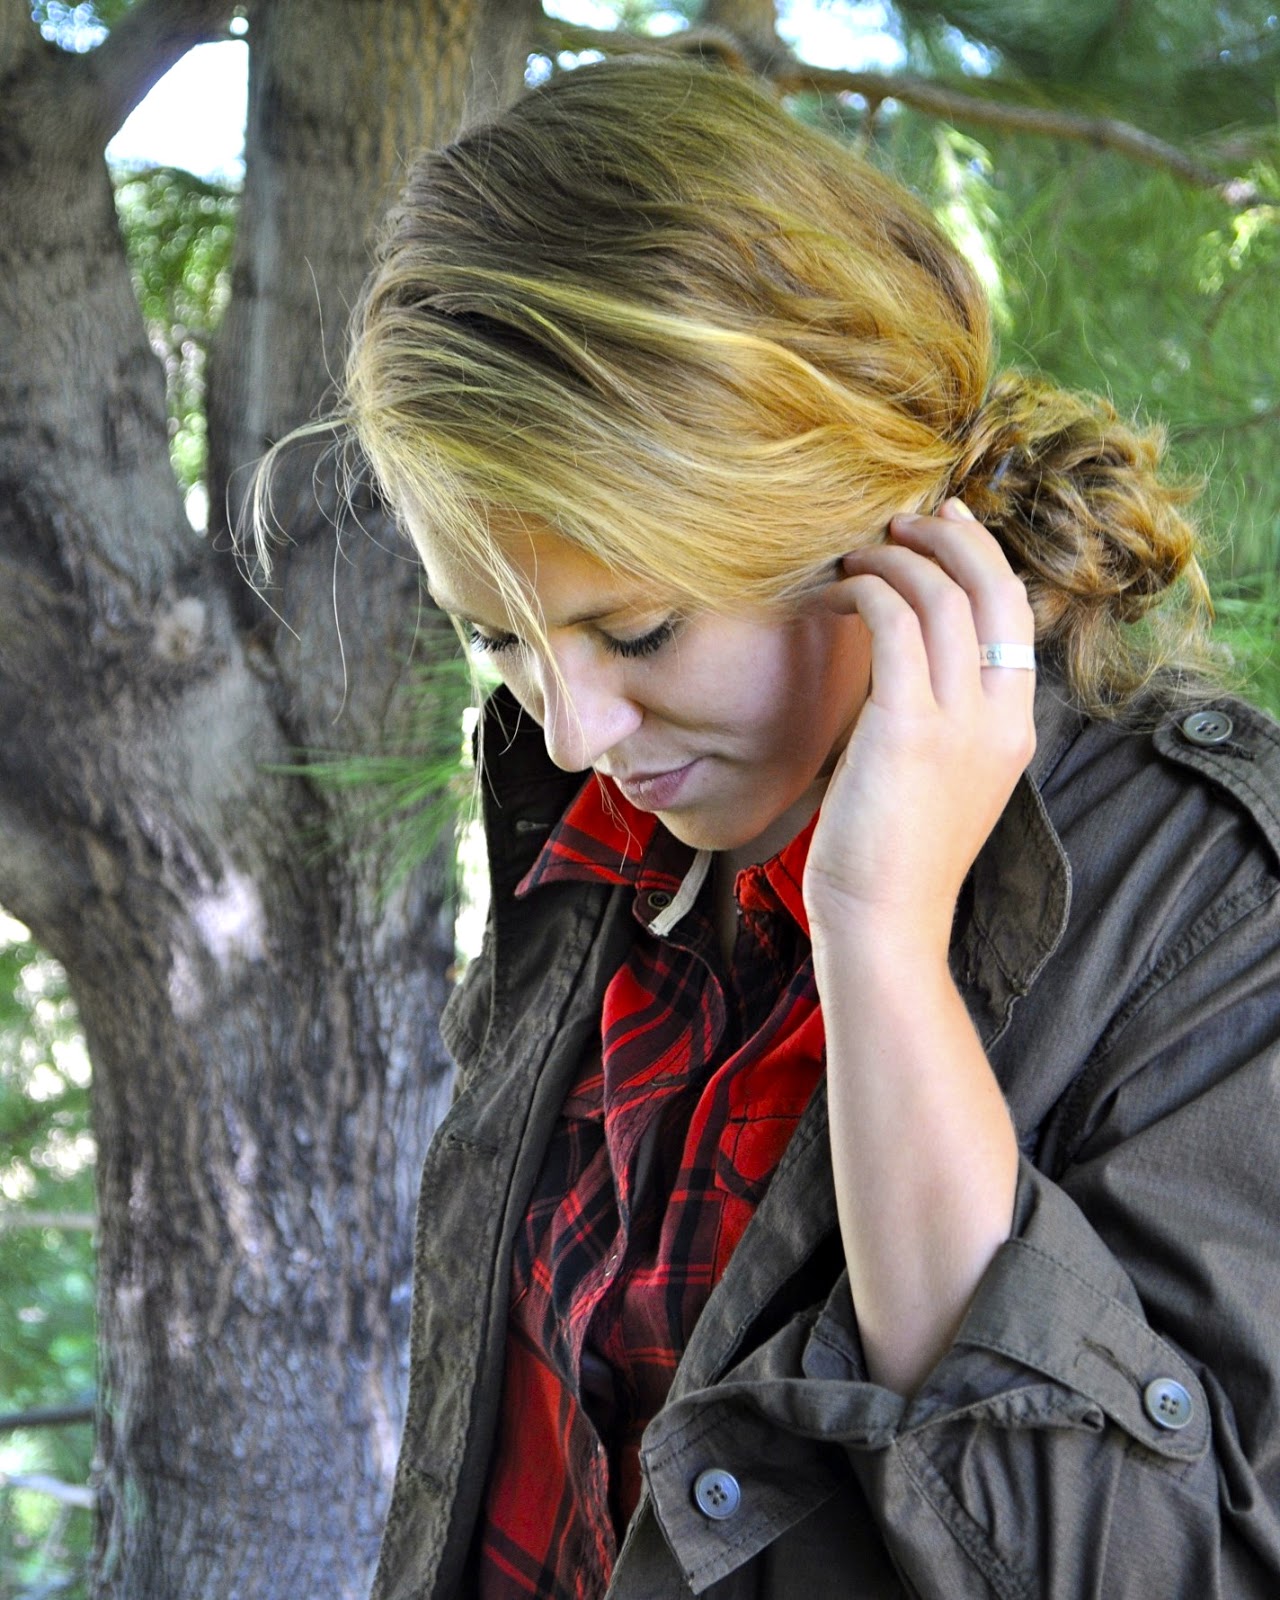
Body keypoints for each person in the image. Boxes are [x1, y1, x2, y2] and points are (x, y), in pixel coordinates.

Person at [300, 58, 1280, 1599]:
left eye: (639, 630)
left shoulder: (1207, 901)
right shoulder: (606, 845)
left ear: (879, 521)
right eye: (495, 636)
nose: (575, 733)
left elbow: (1146, 1569)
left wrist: (882, 945)